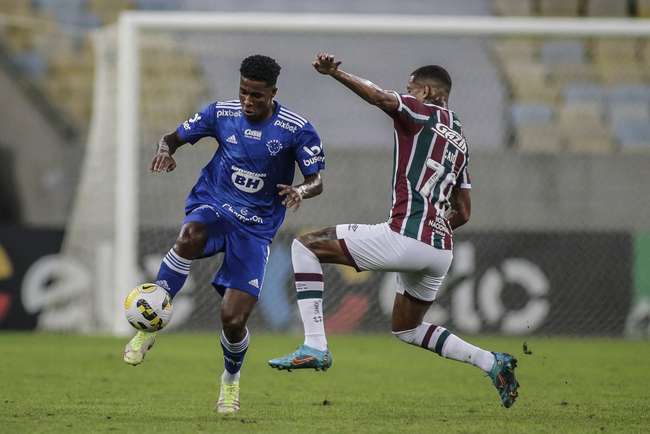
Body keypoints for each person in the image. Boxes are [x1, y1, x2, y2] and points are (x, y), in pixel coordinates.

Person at [269, 53, 519, 408]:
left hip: (404, 236)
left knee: (304, 246)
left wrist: (336, 73)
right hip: (440, 251)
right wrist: (434, 226)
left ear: (429, 90)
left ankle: (315, 345)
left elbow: (378, 97)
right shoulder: (461, 139)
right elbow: (463, 211)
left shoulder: (422, 111)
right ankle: (492, 362)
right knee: (407, 328)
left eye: (411, 88)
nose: (407, 94)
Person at [123, 54, 326, 414]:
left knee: (233, 319)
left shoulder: (296, 129)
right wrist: (164, 152)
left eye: (257, 96)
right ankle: (150, 324)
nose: (248, 101)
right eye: (244, 92)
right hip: (215, 205)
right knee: (189, 234)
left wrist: (300, 191)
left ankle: (230, 381)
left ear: (273, 93)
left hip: (256, 229)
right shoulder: (221, 113)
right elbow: (171, 138)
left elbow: (317, 180)